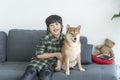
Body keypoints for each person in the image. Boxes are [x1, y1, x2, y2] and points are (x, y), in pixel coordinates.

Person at [20, 15, 64, 80]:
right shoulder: (45, 38)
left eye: (57, 24)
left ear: (61, 26)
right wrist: (56, 54)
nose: (55, 27)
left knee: (46, 76)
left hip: (50, 65)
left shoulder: (65, 39)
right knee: (30, 73)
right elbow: (39, 55)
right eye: (52, 25)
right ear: (48, 28)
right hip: (38, 62)